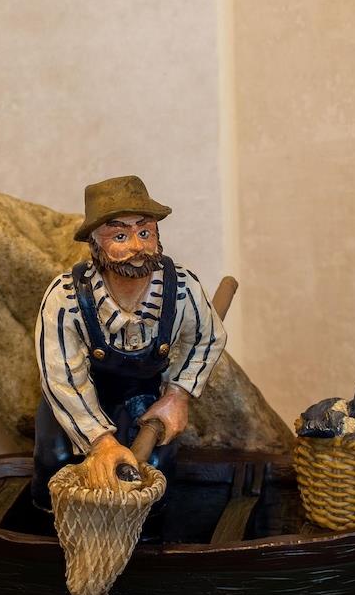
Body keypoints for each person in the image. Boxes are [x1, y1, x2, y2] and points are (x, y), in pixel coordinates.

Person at [32, 176, 227, 508]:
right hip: (77, 398)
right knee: (57, 459)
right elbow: (61, 376)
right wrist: (101, 442)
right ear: (95, 243)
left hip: (142, 396)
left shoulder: (181, 288)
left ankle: (148, 529)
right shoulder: (66, 298)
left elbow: (207, 339)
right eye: (120, 236)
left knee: (155, 466)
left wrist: (177, 395)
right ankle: (49, 524)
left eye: (145, 233)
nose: (137, 246)